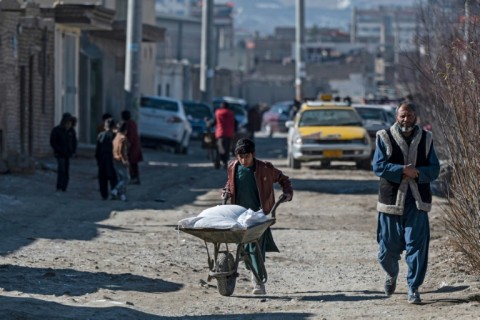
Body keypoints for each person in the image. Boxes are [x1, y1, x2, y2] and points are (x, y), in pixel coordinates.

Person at [372, 102, 440, 304]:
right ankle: (391, 274)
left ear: (416, 116)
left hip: (417, 201)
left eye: (409, 115)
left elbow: (434, 169)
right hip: (391, 200)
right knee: (387, 248)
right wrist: (402, 170)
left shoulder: (427, 139)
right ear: (396, 116)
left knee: (417, 246)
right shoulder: (383, 136)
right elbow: (378, 166)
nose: (406, 119)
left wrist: (417, 173)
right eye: (402, 115)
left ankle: (413, 287)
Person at [222, 138, 293, 295]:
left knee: (254, 248)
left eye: (246, 156)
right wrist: (226, 190)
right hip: (239, 215)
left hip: (258, 216)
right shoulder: (233, 167)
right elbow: (230, 183)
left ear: (253, 154)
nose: (243, 160)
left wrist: (287, 193)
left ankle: (258, 282)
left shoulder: (265, 168)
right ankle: (250, 274)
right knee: (243, 248)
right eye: (240, 156)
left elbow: (283, 179)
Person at [50, 112, 76, 192]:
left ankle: (64, 187)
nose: (68, 124)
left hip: (67, 154)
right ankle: (59, 186)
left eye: (70, 123)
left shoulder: (71, 131)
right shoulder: (57, 130)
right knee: (61, 170)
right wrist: (57, 149)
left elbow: (74, 142)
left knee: (66, 171)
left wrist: (73, 151)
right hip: (60, 153)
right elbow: (53, 141)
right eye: (67, 122)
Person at [207, 101, 235, 169]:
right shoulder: (231, 114)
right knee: (227, 149)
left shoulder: (218, 113)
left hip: (220, 134)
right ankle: (225, 163)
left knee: (219, 149)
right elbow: (235, 123)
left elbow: (214, 122)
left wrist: (209, 124)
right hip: (229, 134)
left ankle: (218, 162)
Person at [95, 118, 118, 200]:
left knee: (102, 178)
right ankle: (114, 193)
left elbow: (97, 150)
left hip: (103, 160)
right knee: (114, 178)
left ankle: (104, 195)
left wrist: (98, 160)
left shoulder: (100, 135)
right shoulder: (116, 136)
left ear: (105, 127)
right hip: (113, 160)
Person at [121, 110, 143, 184]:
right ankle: (136, 178)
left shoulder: (128, 124)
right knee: (134, 163)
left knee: (130, 162)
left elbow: (130, 137)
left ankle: (132, 177)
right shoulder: (132, 123)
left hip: (132, 146)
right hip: (136, 145)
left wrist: (126, 146)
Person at [111, 122, 130, 201]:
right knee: (126, 178)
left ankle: (122, 195)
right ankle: (115, 190)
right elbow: (123, 151)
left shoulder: (116, 137)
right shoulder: (123, 138)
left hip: (115, 159)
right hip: (121, 160)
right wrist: (125, 160)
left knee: (120, 178)